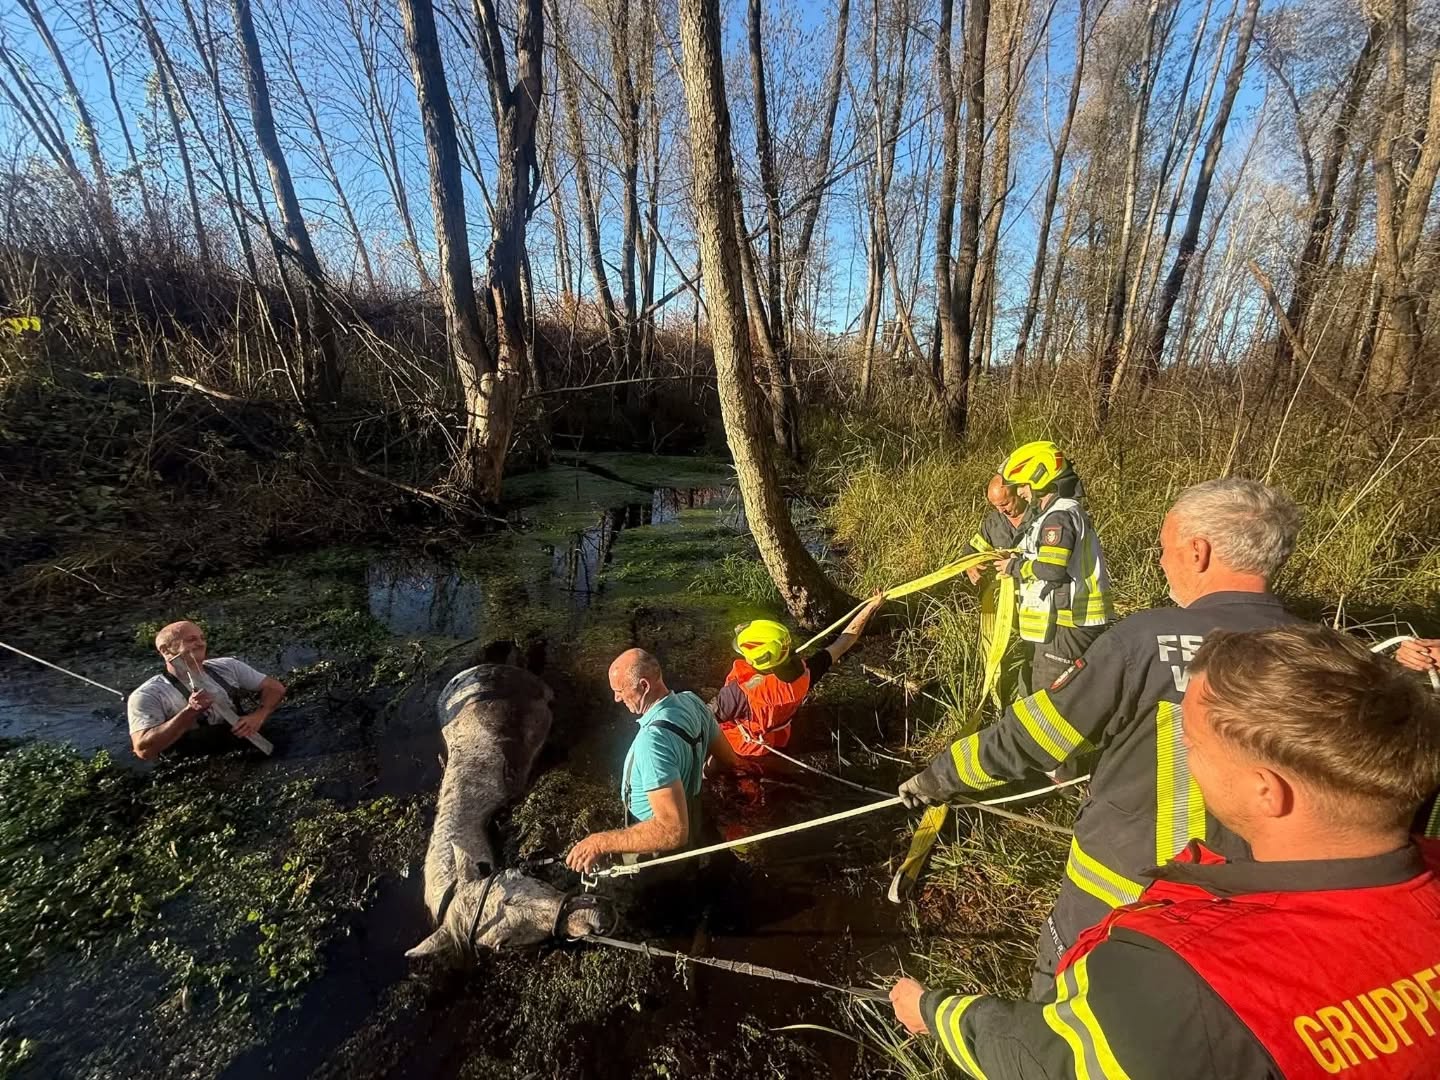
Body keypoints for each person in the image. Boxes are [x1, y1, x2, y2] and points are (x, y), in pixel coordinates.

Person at [890, 624, 1440, 1079]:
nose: (1183, 752)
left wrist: (934, 1012)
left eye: (1192, 743)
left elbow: (1045, 1059)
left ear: (1264, 790)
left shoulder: (1179, 976)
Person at [899, 477, 1304, 999]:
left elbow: (1033, 736)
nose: (1161, 564)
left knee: (1065, 1010)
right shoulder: (1329, 654)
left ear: (1198, 552)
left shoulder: (1143, 643)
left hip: (1124, 894)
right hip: (1260, 907)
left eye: (1164, 550)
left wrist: (938, 779)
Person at [566, 649, 738, 872]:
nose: (616, 698)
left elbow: (672, 831)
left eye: (620, 690)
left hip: (658, 854)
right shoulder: (692, 702)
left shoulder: (652, 743)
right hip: (693, 819)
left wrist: (600, 842)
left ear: (644, 686)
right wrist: (702, 773)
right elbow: (729, 759)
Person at [993, 441, 1113, 693]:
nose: (1022, 492)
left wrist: (1014, 567)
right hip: (1066, 625)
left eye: (1023, 485)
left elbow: (1052, 569)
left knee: (1049, 702)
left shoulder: (1058, 517)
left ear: (1040, 479)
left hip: (1067, 626)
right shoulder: (1061, 513)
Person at [712, 593, 886, 758]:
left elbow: (704, 717)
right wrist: (870, 608)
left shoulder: (738, 694)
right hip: (777, 739)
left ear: (760, 659)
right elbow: (843, 643)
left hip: (743, 747)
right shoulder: (806, 673)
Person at [127, 620, 286, 761]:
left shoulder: (228, 666)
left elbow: (274, 688)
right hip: (196, 762)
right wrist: (189, 712)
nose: (201, 643)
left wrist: (258, 716)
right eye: (191, 639)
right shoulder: (147, 695)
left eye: (202, 638)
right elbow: (144, 751)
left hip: (244, 744)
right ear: (166, 650)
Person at [960, 474, 1028, 586]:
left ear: (1019, 493)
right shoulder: (993, 522)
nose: (1001, 511)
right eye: (995, 506)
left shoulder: (1041, 517)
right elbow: (972, 549)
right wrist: (970, 565)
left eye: (1005, 504)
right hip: (1006, 593)